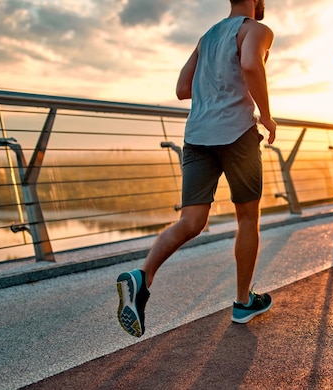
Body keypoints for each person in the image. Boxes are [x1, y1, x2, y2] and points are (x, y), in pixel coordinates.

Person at [116, 0, 276, 338]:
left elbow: (182, 89)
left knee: (191, 221)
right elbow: (250, 64)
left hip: (197, 136)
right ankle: (243, 302)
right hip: (236, 134)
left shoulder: (206, 37)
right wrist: (267, 113)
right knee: (247, 217)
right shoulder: (257, 30)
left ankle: (142, 277)